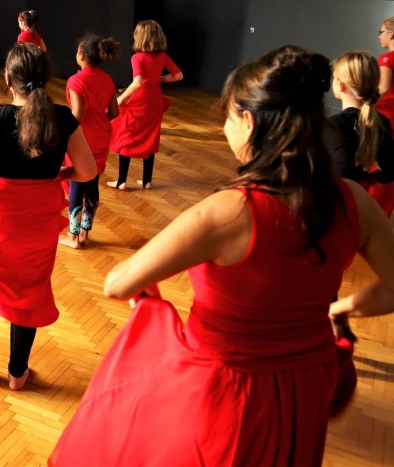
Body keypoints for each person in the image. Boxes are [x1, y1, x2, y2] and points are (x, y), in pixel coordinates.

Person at [48, 46, 394, 466]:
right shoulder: (354, 200)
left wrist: (153, 306)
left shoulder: (227, 212)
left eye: (228, 116)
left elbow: (117, 284)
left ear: (249, 121)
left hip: (231, 392)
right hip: (306, 383)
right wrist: (340, 309)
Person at [0, 44, 98, 391]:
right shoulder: (62, 118)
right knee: (30, 289)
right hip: (38, 219)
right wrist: (59, 175)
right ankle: (18, 371)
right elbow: (88, 171)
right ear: (45, 78)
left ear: (7, 78)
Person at [59, 35, 120, 249]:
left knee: (76, 182)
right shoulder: (107, 80)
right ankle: (85, 234)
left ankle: (73, 236)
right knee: (92, 182)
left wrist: (60, 130)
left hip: (81, 137)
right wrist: (99, 119)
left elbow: (78, 113)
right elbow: (115, 112)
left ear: (82, 55)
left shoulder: (75, 81)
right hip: (101, 136)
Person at [107, 19, 183, 190]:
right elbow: (179, 75)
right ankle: (147, 181)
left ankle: (121, 181)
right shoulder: (163, 56)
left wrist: (121, 99)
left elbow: (137, 82)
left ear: (139, 37)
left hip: (139, 100)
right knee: (150, 137)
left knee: (127, 136)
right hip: (155, 101)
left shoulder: (137, 57)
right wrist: (158, 79)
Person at [326, 50, 394, 217]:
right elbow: (387, 173)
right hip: (368, 210)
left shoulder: (335, 124)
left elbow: (342, 175)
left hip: (341, 212)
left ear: (341, 85)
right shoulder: (382, 122)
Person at [374, 16, 394, 131]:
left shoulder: (387, 58)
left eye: (381, 32)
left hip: (387, 114)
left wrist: (365, 103)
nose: (379, 36)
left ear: (391, 34)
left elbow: (383, 88)